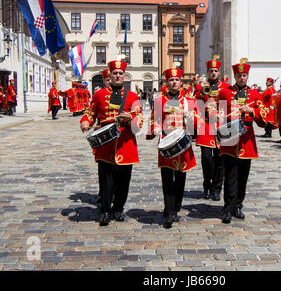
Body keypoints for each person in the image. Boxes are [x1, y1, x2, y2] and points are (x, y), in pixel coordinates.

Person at [80, 59, 144, 226]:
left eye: (120, 73)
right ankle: (105, 211)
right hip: (105, 144)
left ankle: (118, 208)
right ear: (110, 75)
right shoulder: (99, 95)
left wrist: (132, 118)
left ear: (124, 76)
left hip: (125, 143)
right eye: (114, 73)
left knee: (124, 180)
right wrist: (86, 121)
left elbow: (140, 118)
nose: (117, 76)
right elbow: (90, 112)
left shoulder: (133, 96)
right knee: (105, 179)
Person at [146, 64, 197, 229]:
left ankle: (176, 207)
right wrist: (154, 127)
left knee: (181, 178)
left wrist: (191, 120)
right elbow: (153, 119)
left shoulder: (189, 101)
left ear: (180, 82)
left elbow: (199, 122)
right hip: (166, 142)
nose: (174, 82)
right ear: (166, 83)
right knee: (167, 178)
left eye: (176, 80)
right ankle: (169, 211)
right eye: (171, 80)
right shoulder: (160, 100)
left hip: (182, 143)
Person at [218, 58, 268, 224]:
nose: (242, 78)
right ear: (235, 76)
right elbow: (216, 111)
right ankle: (227, 208)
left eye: (244, 75)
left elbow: (266, 116)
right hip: (229, 139)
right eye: (239, 75)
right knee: (229, 175)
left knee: (242, 176)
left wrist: (251, 110)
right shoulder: (225, 93)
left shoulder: (254, 94)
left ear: (247, 76)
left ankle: (238, 205)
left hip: (246, 141)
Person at [194, 55, 231, 201]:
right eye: (211, 71)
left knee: (220, 159)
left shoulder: (227, 87)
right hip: (206, 125)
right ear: (207, 72)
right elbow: (195, 103)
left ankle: (217, 188)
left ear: (219, 72)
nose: (213, 73)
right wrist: (202, 93)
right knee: (206, 158)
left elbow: (229, 104)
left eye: (216, 71)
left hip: (221, 124)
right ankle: (207, 184)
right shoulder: (200, 87)